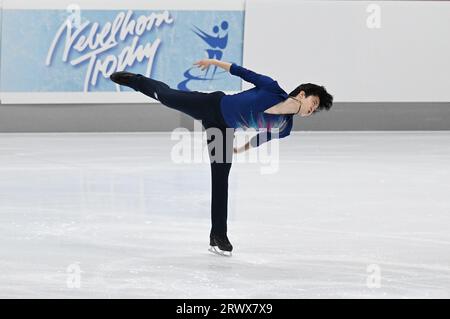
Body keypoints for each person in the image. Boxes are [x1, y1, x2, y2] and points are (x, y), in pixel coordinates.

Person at [109, 59, 333, 256]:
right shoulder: (271, 88)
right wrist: (213, 63)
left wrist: (239, 150)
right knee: (167, 97)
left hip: (223, 130)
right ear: (302, 94)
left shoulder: (285, 127)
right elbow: (240, 71)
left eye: (316, 109)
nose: (312, 109)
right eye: (314, 103)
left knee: (221, 179)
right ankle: (137, 81)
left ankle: (218, 236)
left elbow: (261, 139)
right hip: (211, 105)